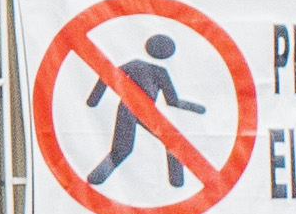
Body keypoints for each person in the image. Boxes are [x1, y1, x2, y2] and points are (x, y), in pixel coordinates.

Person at [82, 33, 207, 191]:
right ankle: (176, 181)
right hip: (136, 111)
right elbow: (173, 101)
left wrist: (93, 100)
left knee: (125, 149)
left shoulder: (142, 67)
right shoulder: (153, 70)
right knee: (128, 149)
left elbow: (106, 77)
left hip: (139, 111)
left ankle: (176, 181)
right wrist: (93, 100)